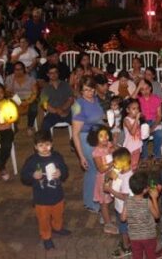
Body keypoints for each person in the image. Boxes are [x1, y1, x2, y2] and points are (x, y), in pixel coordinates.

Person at [20, 130, 71, 250]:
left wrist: (61, 173)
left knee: (58, 215)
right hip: (41, 198)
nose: (44, 148)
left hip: (57, 195)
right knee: (43, 219)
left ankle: (57, 228)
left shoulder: (57, 157)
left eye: (47, 144)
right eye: (41, 145)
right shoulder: (32, 161)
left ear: (52, 144)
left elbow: (65, 170)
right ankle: (46, 236)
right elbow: (24, 176)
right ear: (35, 147)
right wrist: (32, 175)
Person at [71, 76, 106, 213]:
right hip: (85, 138)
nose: (89, 92)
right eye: (86, 90)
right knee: (94, 168)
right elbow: (75, 133)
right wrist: (81, 156)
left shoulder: (95, 100)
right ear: (81, 91)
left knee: (95, 170)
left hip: (97, 136)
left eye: (91, 89)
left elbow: (98, 118)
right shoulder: (78, 106)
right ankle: (90, 202)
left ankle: (93, 198)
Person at [121, 171, 162, 259]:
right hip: (149, 236)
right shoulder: (147, 202)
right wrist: (154, 198)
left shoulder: (128, 201)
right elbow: (157, 216)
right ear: (145, 189)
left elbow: (123, 218)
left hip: (134, 237)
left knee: (137, 256)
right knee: (150, 256)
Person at [105, 147, 134, 258]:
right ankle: (127, 242)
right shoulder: (121, 172)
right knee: (124, 228)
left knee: (124, 229)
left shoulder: (127, 178)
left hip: (124, 210)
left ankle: (126, 247)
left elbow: (125, 197)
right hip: (119, 207)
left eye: (115, 162)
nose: (113, 164)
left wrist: (110, 190)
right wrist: (110, 177)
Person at [89, 125, 118, 235]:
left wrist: (113, 145)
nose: (105, 138)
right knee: (104, 202)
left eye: (106, 135)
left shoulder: (108, 145)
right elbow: (101, 169)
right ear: (95, 138)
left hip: (112, 176)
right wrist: (112, 163)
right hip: (103, 179)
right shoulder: (97, 152)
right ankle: (107, 224)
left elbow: (115, 150)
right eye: (101, 136)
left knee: (111, 197)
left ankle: (105, 216)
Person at [5, 62, 38, 136]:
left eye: (20, 69)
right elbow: (7, 92)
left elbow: (35, 93)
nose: (18, 71)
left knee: (34, 108)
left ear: (24, 70)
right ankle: (14, 126)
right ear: (13, 70)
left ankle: (30, 126)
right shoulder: (10, 78)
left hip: (29, 99)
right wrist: (18, 101)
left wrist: (27, 102)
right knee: (9, 107)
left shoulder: (30, 79)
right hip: (15, 99)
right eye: (16, 69)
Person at [40, 65, 73, 133]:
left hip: (67, 112)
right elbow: (44, 104)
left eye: (55, 72)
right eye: (51, 73)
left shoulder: (65, 85)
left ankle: (76, 141)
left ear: (58, 73)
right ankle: (46, 143)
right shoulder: (45, 88)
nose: (54, 75)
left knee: (80, 121)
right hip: (53, 113)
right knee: (45, 125)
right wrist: (56, 110)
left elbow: (70, 99)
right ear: (48, 75)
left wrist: (62, 109)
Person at [137, 79, 162, 160]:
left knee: (160, 134)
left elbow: (159, 116)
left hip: (154, 121)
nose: (145, 91)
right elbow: (130, 99)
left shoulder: (156, 99)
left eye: (147, 88)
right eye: (142, 89)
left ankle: (156, 155)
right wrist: (138, 87)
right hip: (142, 122)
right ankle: (144, 156)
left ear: (150, 88)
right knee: (143, 134)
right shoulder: (138, 99)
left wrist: (152, 128)